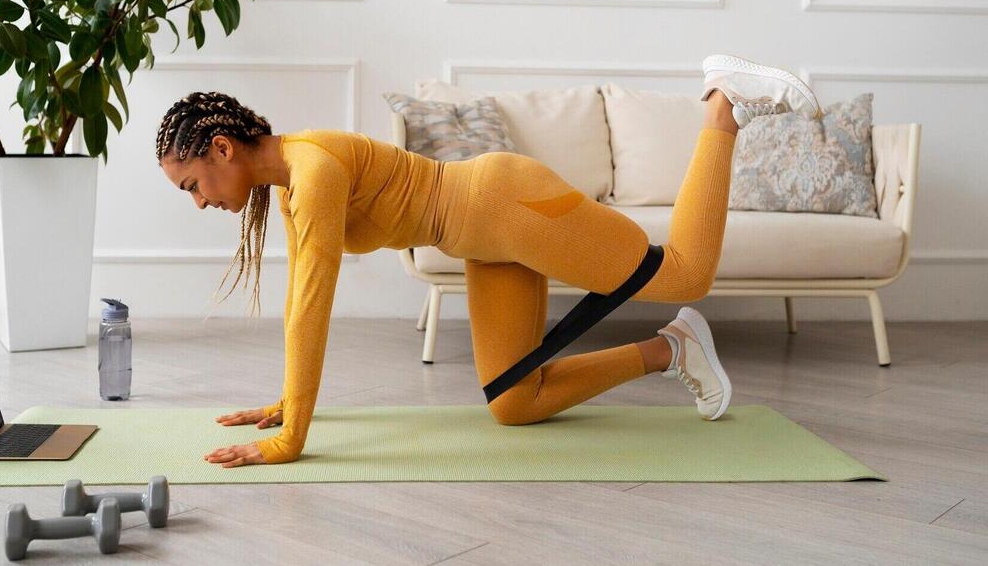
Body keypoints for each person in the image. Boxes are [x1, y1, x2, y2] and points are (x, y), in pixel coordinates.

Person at [156, 54, 822, 467]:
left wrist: (290, 437)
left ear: (221, 148)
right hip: (482, 241)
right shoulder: (294, 181)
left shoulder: (314, 168)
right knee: (513, 400)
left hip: (505, 202)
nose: (198, 201)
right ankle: (671, 350)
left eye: (191, 185)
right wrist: (286, 403)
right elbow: (302, 297)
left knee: (685, 273)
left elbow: (310, 304)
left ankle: (722, 106)